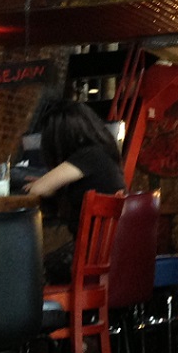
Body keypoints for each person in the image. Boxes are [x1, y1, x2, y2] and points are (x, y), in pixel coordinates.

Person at [24, 101, 125, 282]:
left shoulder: (89, 156)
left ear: (61, 139)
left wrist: (45, 183)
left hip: (88, 260)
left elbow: (38, 189)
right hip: (106, 257)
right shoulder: (103, 155)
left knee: (29, 272)